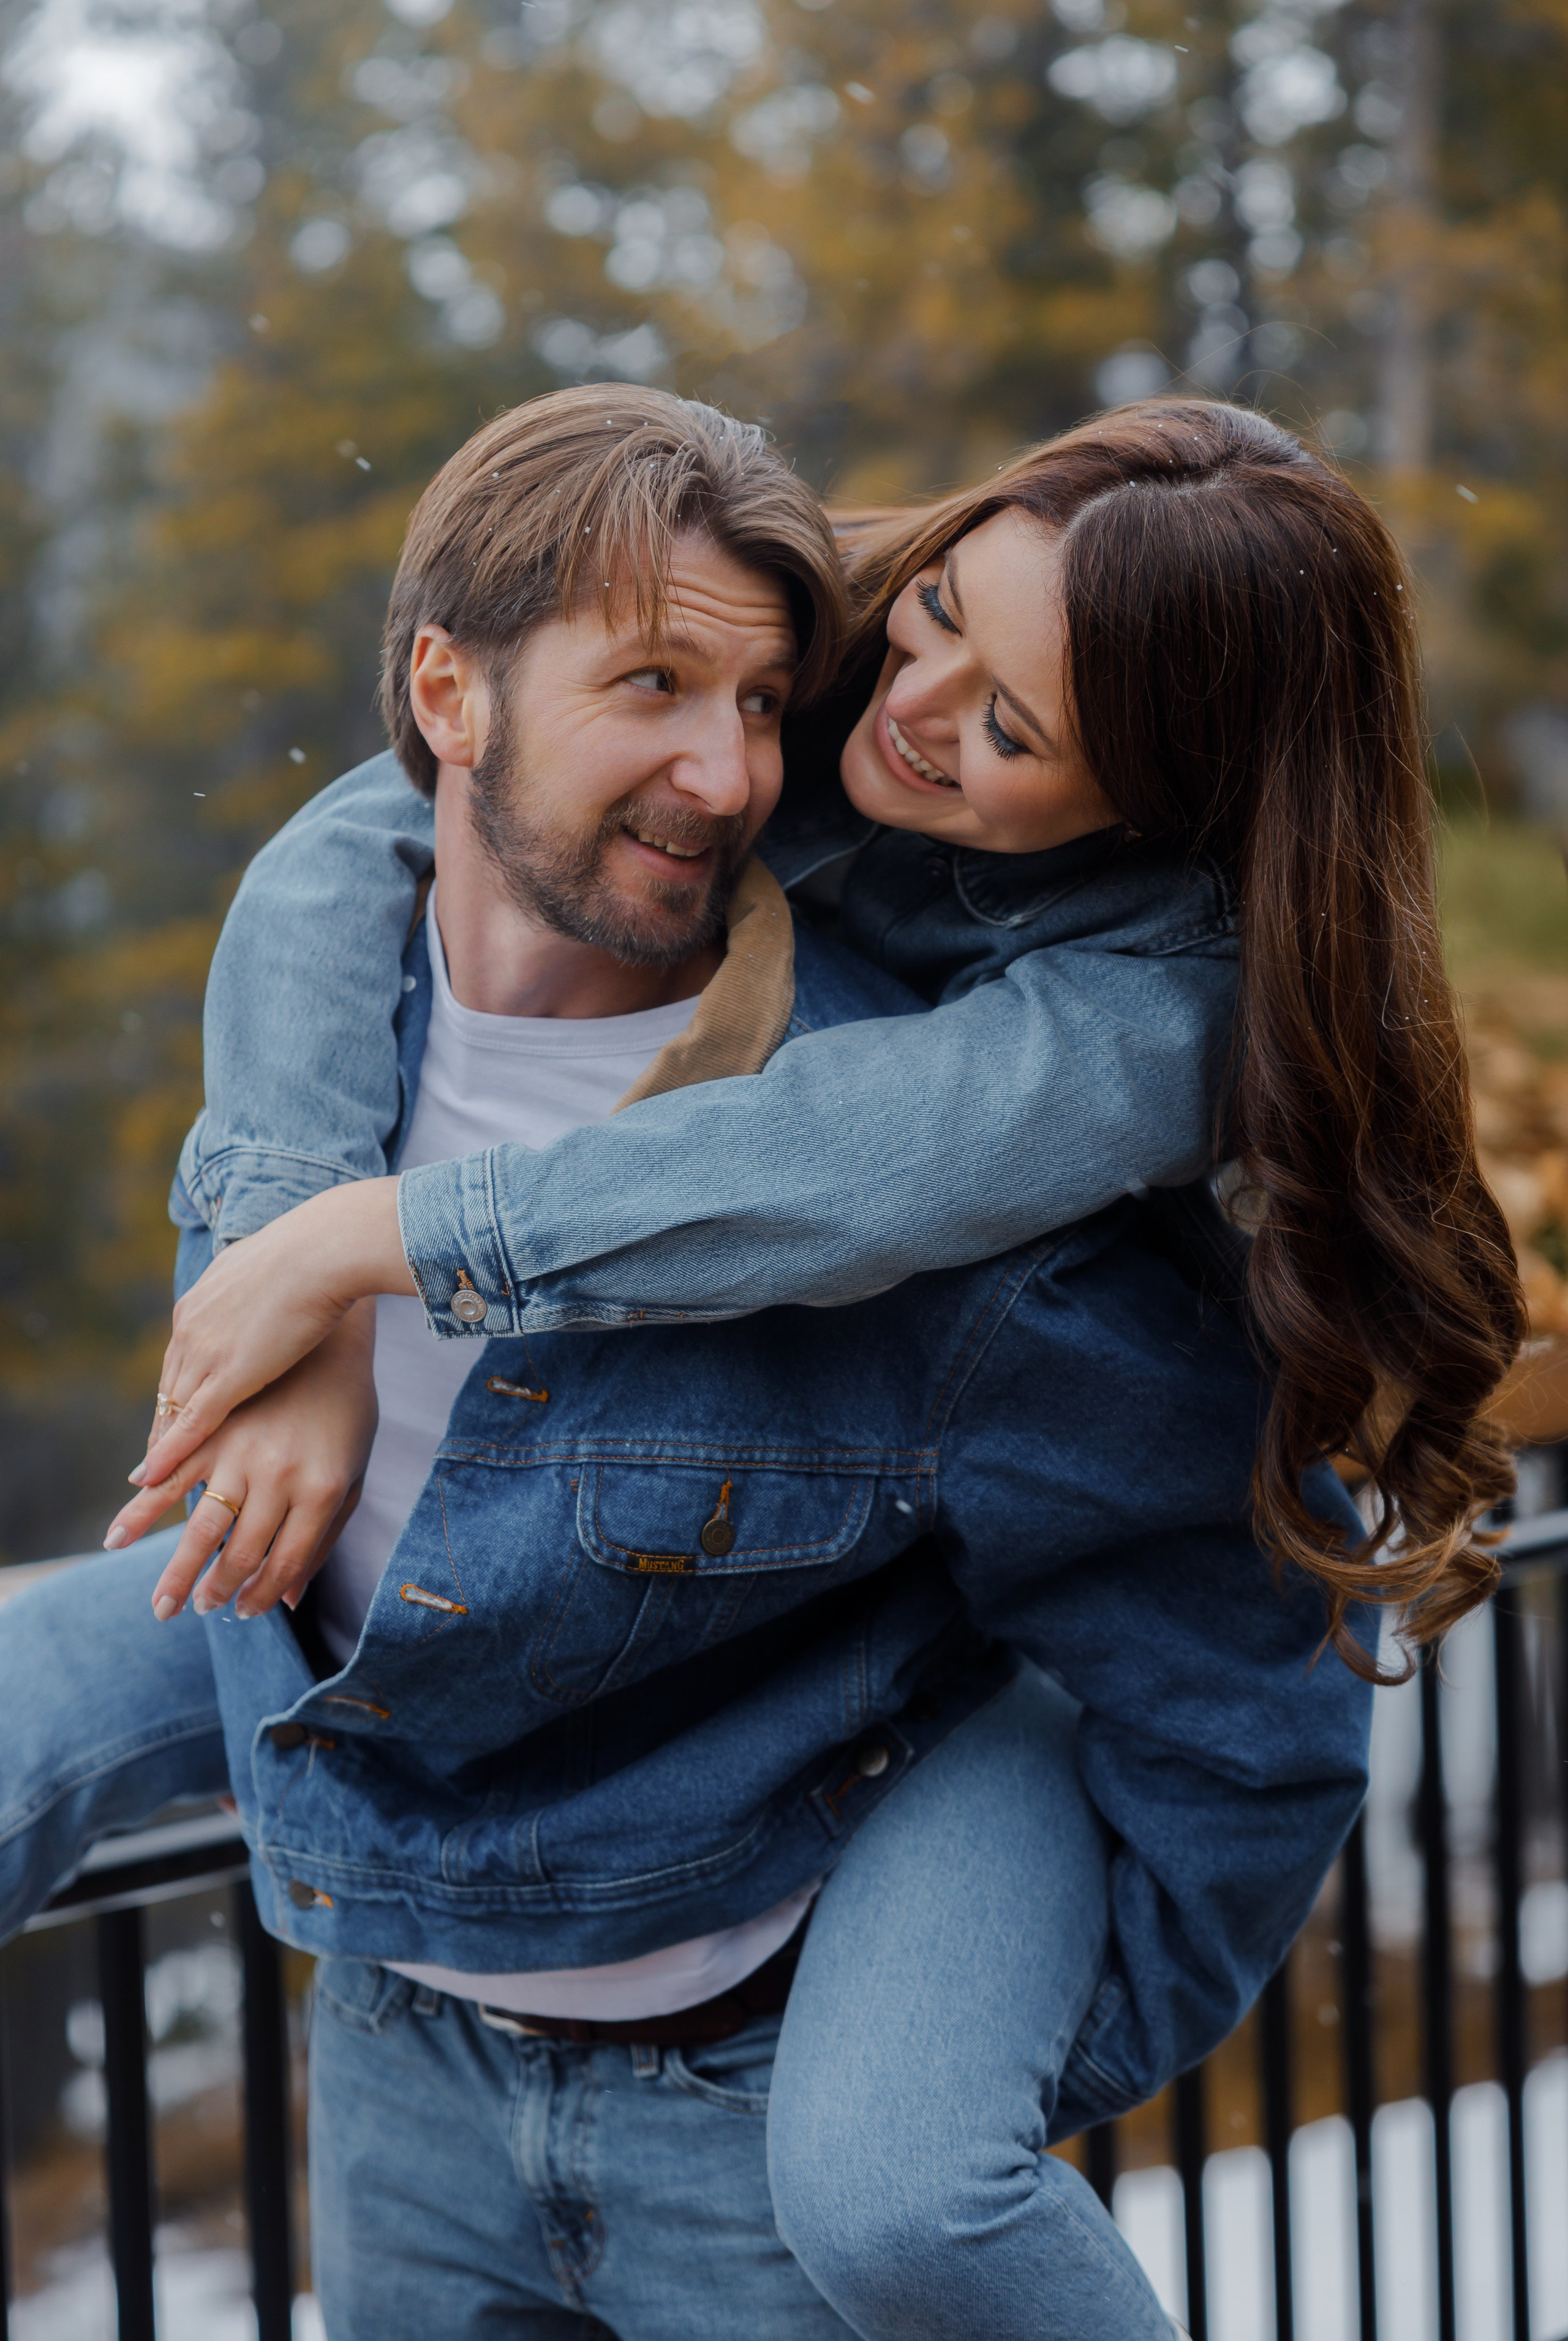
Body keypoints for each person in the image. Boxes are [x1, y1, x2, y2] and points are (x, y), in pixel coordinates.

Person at [1, 391, 1517, 2340]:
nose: (895, 712)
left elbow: (860, 1171)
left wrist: (975, 2057)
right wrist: (296, 1288)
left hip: (778, 1974)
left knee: (904, 2190)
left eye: (1014, 731)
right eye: (941, 613)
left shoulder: (1126, 1039)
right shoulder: (766, 712)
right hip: (413, 1988)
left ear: (1151, 802)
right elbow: (362, 821)